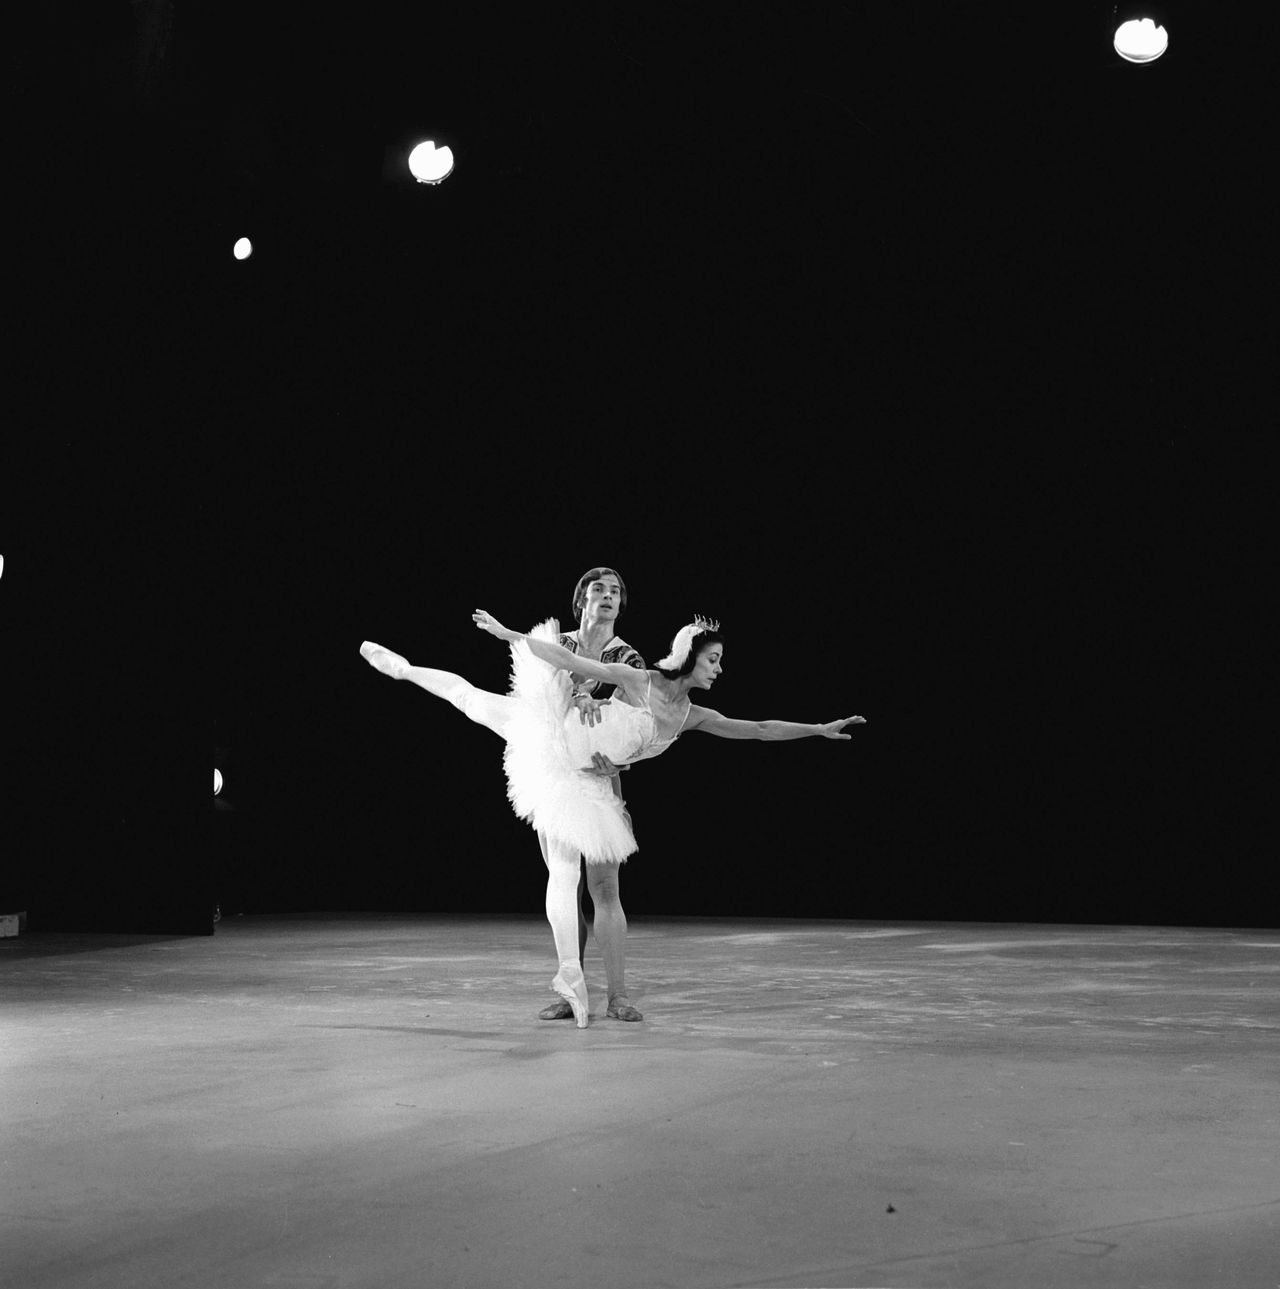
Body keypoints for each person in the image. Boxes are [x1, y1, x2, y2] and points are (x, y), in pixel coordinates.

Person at [360, 612, 864, 1028]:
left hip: (586, 780)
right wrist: (511, 637)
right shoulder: (639, 680)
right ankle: (404, 669)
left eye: (719, 662)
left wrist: (819, 729)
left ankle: (581, 987)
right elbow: (569, 659)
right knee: (470, 700)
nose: (718, 669)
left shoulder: (694, 716)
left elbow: (759, 729)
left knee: (576, 878)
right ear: (690, 655)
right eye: (713, 660)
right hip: (552, 735)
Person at [544, 567, 647, 1022]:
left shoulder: (628, 659)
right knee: (564, 888)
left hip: (601, 779)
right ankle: (572, 989)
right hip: (557, 778)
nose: (607, 596)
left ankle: (618, 996)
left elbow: (641, 725)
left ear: (621, 604)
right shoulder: (555, 644)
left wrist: (622, 763)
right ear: (580, 599)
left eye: (615, 592)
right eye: (598, 589)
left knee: (604, 887)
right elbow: (536, 705)